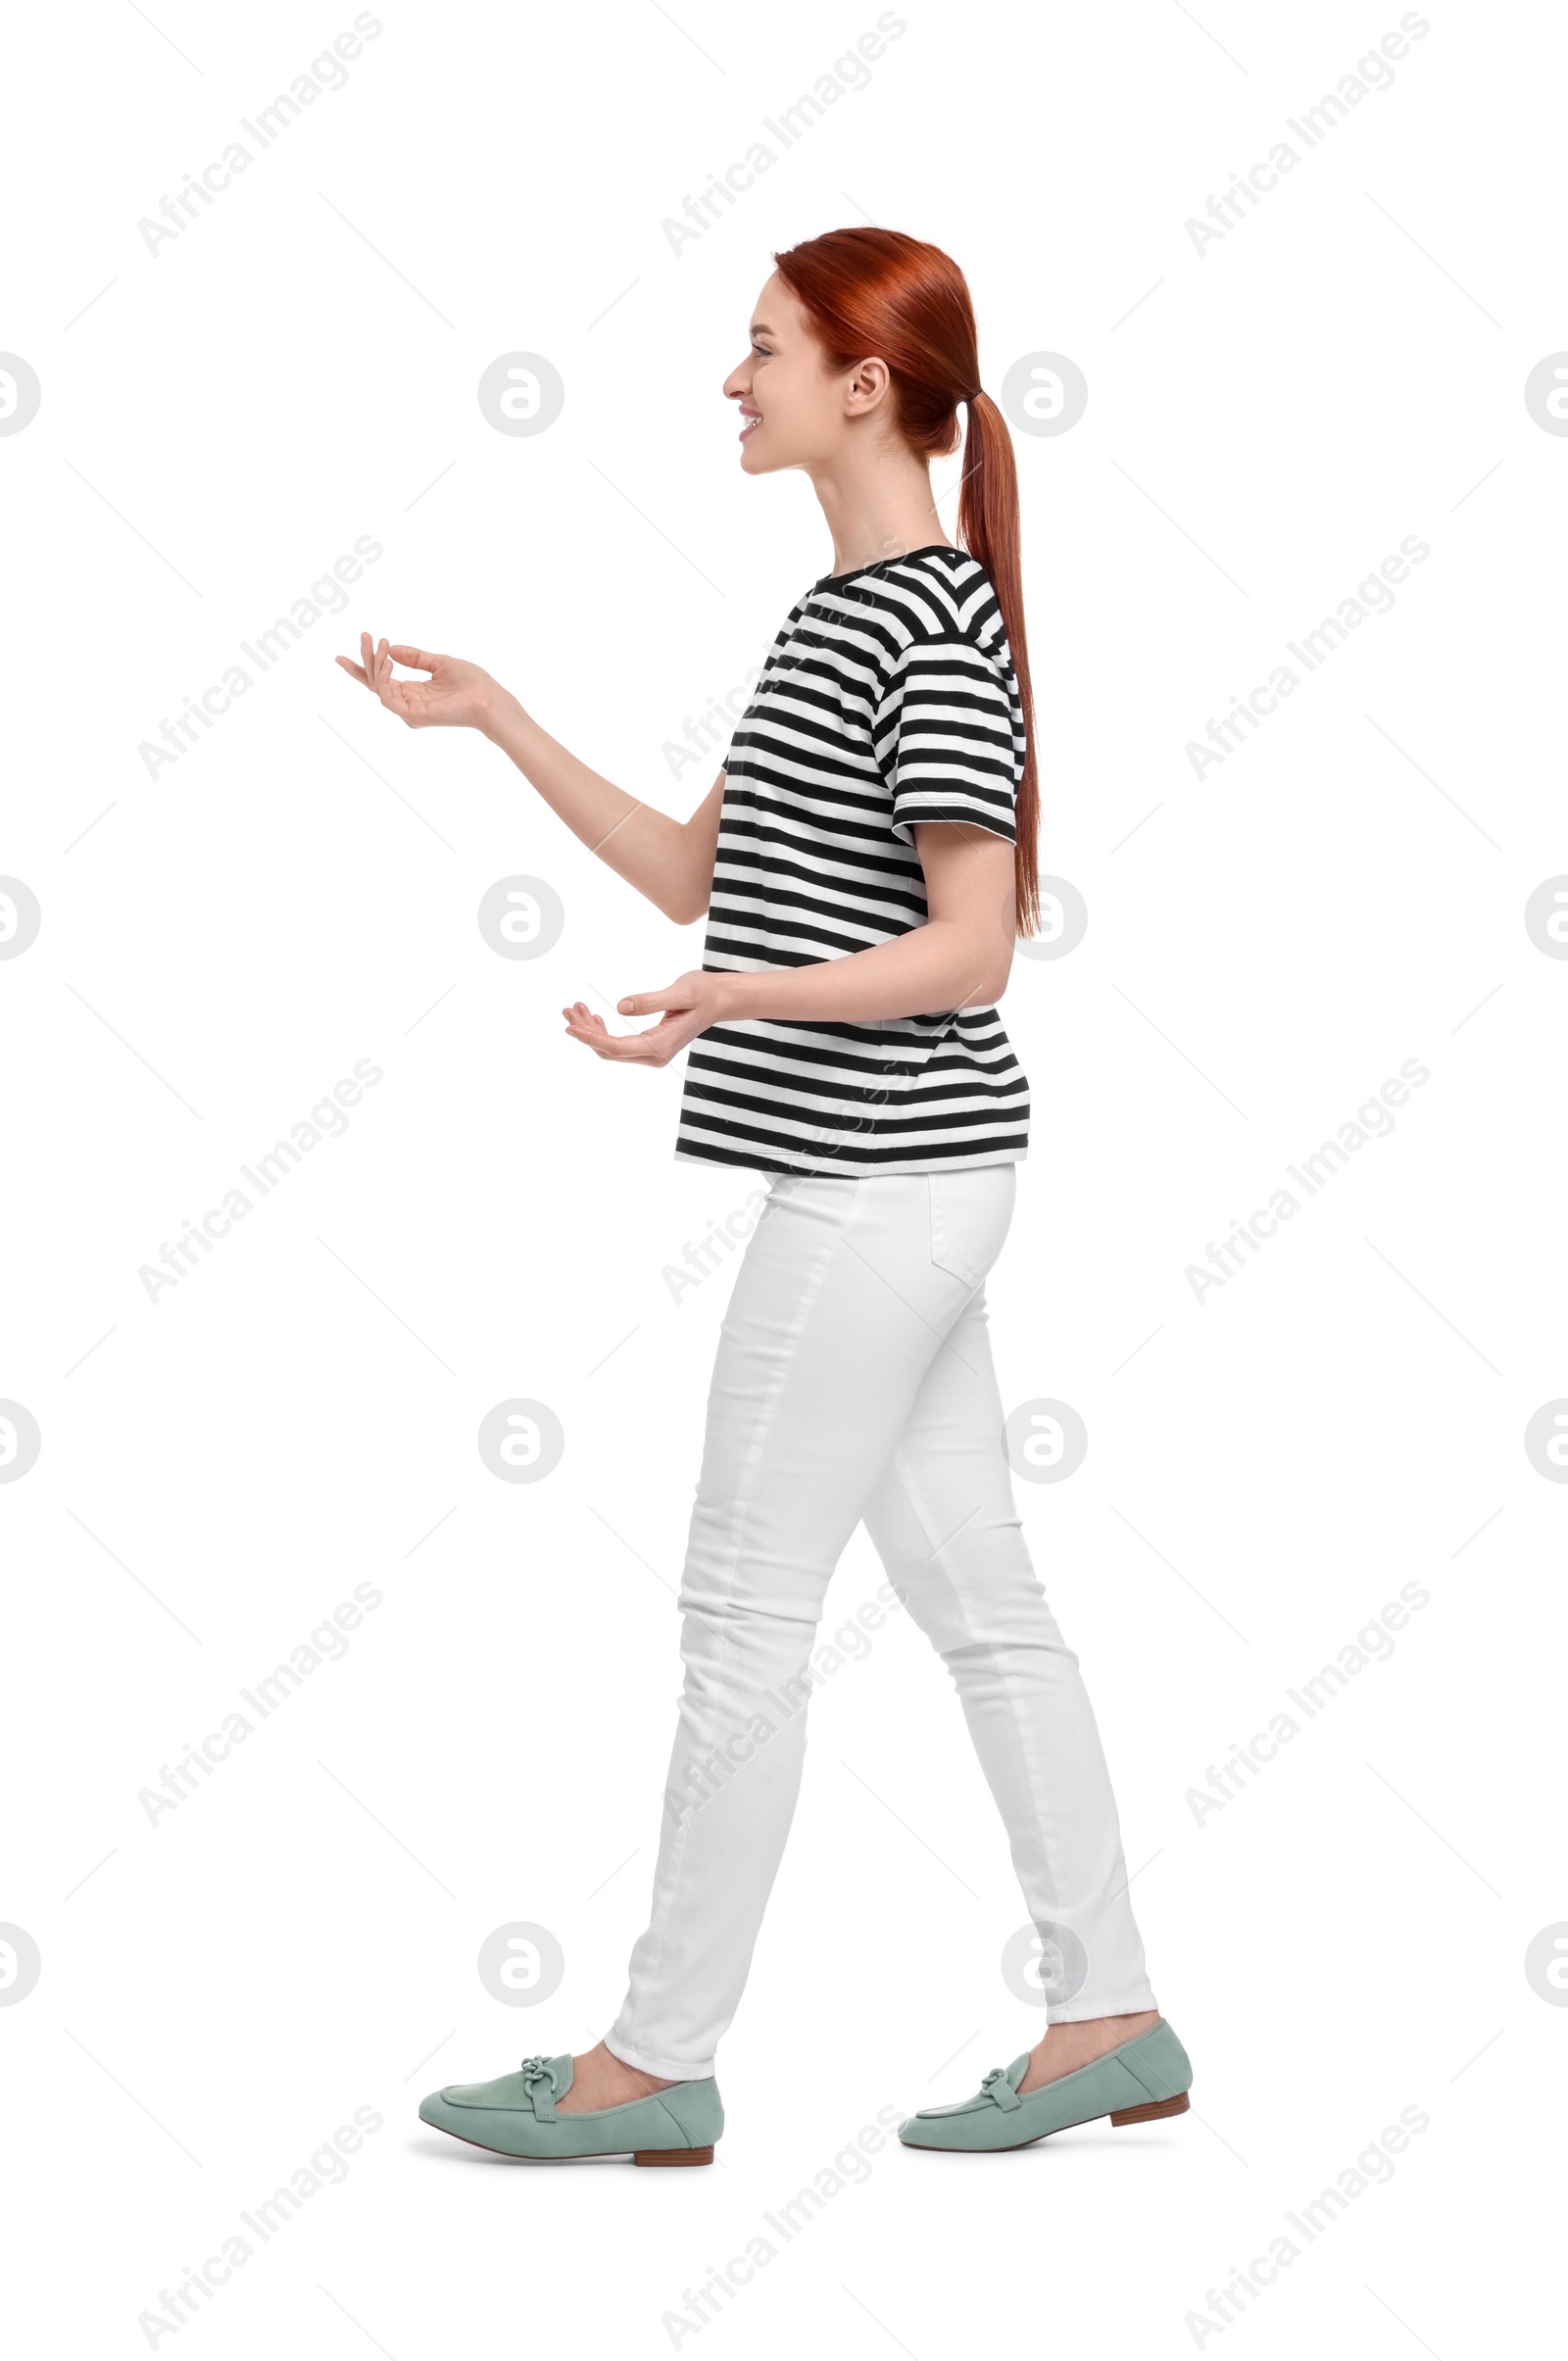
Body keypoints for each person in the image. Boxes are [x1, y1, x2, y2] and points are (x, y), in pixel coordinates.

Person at [336, 225, 1192, 2164]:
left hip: (877, 1184)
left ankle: (656, 2055)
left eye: (758, 351)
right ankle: (1111, 2010)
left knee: (739, 1613)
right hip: (905, 1176)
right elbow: (693, 878)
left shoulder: (929, 621)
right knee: (983, 1602)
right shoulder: (834, 619)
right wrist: (501, 720)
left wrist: (753, 996)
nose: (730, 384)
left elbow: (967, 949)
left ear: (862, 384)